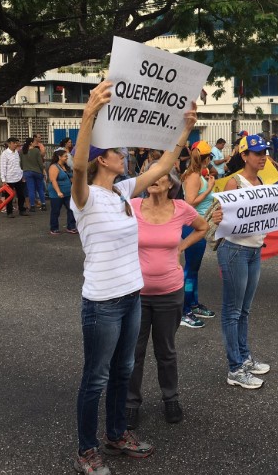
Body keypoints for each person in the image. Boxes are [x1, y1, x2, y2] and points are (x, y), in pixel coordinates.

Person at [69, 80, 197, 474]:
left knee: (124, 370)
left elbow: (162, 167)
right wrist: (90, 113)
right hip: (102, 301)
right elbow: (76, 165)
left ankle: (116, 434)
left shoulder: (124, 192)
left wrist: (186, 130)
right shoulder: (84, 196)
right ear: (101, 159)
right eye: (118, 152)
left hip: (131, 297)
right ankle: (87, 450)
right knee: (96, 377)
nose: (125, 155)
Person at [126, 164, 208, 427]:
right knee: (133, 353)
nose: (153, 179)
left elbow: (202, 227)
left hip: (170, 292)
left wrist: (182, 245)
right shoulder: (132, 206)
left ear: (170, 183)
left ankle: (170, 398)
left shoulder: (181, 208)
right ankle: (130, 403)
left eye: (159, 175)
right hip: (136, 293)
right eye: (149, 175)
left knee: (166, 351)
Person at [218, 135, 272, 390]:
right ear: (245, 156)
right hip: (235, 251)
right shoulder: (234, 183)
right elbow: (227, 220)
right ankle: (235, 368)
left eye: (264, 152)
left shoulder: (260, 180)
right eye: (257, 153)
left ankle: (244, 356)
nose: (262, 157)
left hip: (254, 250)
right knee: (233, 311)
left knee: (245, 310)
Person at [180, 140, 217, 328]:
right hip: (193, 226)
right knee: (189, 271)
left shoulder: (200, 174)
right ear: (206, 158)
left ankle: (193, 304)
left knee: (194, 270)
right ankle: (184, 310)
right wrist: (209, 189)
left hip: (199, 226)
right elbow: (189, 203)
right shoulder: (194, 176)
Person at [47, 149, 77, 235]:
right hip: (57, 193)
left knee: (71, 209)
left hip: (68, 192)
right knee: (56, 211)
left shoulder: (66, 166)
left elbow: (71, 178)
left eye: (67, 156)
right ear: (59, 157)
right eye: (65, 156)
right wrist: (58, 192)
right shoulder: (54, 167)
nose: (67, 158)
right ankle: (54, 228)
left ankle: (71, 226)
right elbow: (53, 180)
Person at [0, 138, 28, 218]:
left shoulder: (16, 153)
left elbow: (18, 165)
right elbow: (3, 167)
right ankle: (9, 212)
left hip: (18, 177)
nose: (16, 144)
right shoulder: (5, 154)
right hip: (9, 178)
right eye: (14, 143)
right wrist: (3, 179)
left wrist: (22, 175)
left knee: (21, 195)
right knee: (9, 197)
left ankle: (22, 210)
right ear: (9, 144)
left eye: (16, 143)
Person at [20, 137, 47, 212]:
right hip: (37, 171)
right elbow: (40, 162)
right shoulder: (36, 150)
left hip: (27, 172)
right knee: (40, 189)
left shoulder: (22, 151)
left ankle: (32, 206)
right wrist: (43, 171)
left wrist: (24, 169)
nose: (36, 143)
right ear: (31, 143)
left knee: (30, 189)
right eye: (34, 142)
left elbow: (21, 163)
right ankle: (43, 204)